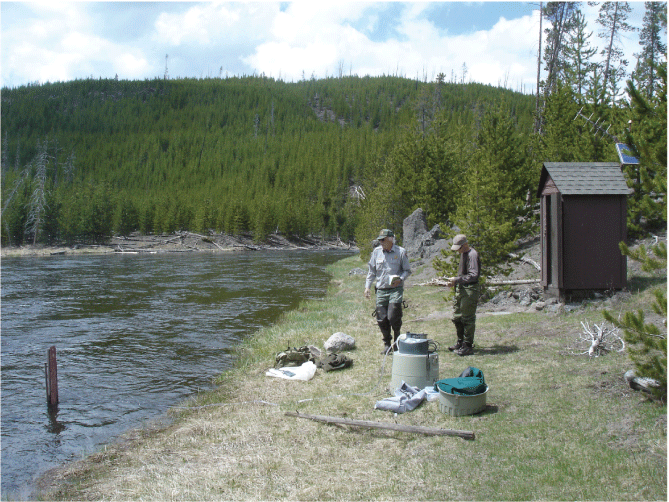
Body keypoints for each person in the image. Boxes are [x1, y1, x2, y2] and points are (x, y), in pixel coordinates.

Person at [364, 229, 412, 354]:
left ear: (391, 239)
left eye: (383, 239)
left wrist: (400, 279)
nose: (381, 242)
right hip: (381, 290)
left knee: (393, 316)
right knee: (381, 318)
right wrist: (367, 287)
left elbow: (407, 270)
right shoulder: (376, 252)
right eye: (379, 240)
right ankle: (387, 344)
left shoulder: (401, 252)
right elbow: (372, 271)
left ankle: (397, 341)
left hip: (395, 289)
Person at [445, 234, 480, 356]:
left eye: (459, 248)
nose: (458, 251)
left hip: (470, 289)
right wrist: (454, 282)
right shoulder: (463, 254)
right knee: (457, 316)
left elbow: (473, 275)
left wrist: (457, 280)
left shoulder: (472, 255)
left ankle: (468, 345)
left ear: (465, 245)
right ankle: (460, 342)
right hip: (461, 289)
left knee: (468, 318)